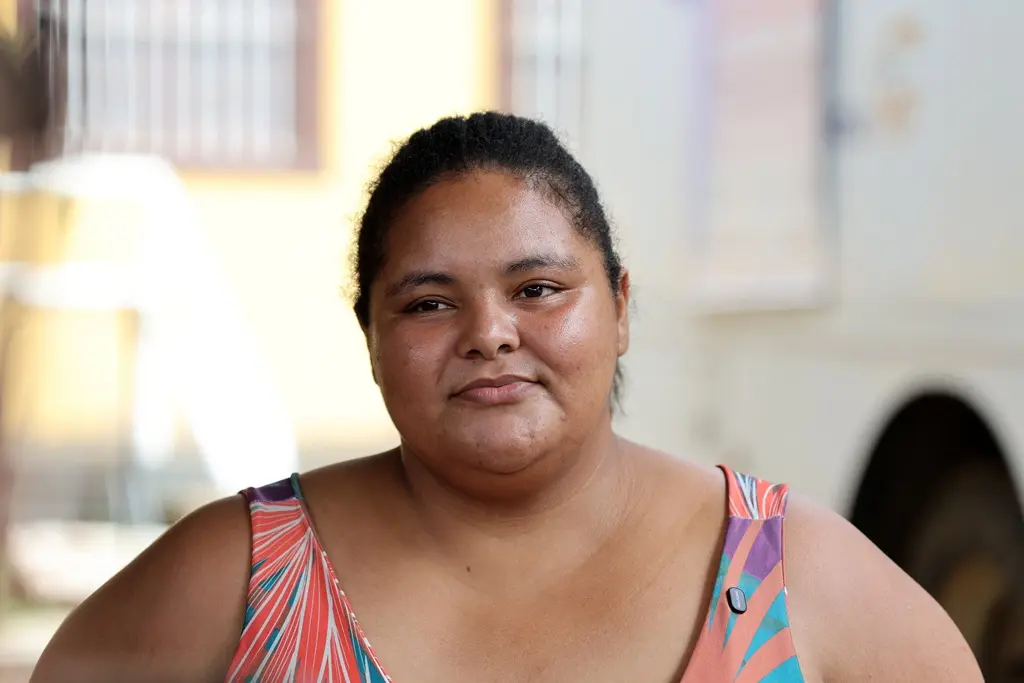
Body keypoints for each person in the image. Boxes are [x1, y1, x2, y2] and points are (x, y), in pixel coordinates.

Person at [29, 112, 982, 683]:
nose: (489, 332)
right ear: (370, 336)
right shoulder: (238, 575)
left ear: (618, 305)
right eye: (429, 301)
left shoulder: (789, 569)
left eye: (537, 290)